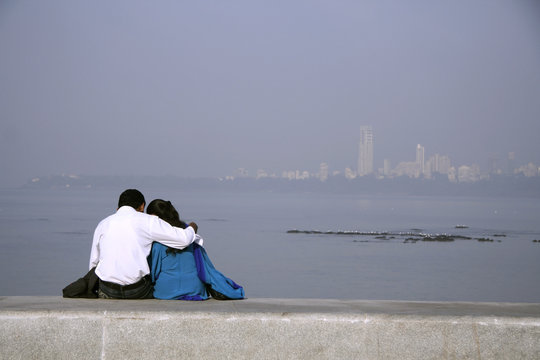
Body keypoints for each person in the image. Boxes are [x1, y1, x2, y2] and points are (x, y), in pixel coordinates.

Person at [89, 189, 202, 299]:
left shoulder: (103, 224)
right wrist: (192, 226)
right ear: (142, 206)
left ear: (118, 208)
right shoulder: (148, 221)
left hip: (108, 289)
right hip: (136, 290)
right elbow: (183, 240)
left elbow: (94, 263)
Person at [147, 199, 244, 300]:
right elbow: (204, 267)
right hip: (195, 289)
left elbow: (154, 271)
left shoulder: (157, 241)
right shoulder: (190, 235)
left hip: (166, 291)